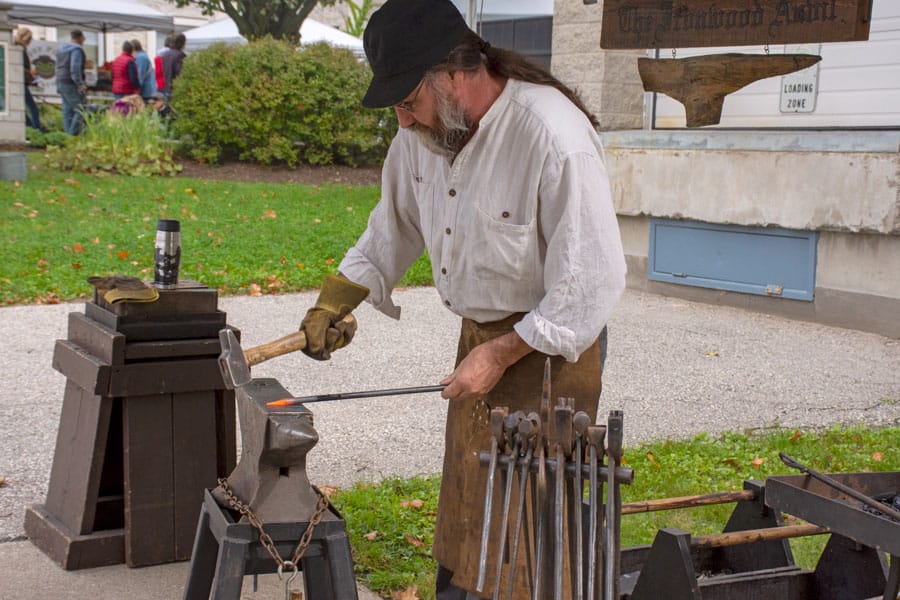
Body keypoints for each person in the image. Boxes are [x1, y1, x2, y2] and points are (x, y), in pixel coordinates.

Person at [297, 0, 626, 598]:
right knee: (472, 504)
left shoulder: (552, 135)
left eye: (407, 100)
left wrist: (501, 355)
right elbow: (391, 227)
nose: (402, 120)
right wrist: (334, 301)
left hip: (551, 355)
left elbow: (590, 284)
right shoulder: (427, 133)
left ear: (454, 75)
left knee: (528, 530)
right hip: (481, 340)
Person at [13, 27, 46, 133]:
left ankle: (30, 127)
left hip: (16, 82)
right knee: (33, 108)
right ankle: (37, 129)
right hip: (20, 82)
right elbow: (18, 67)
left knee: (21, 108)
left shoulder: (14, 45)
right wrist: (31, 74)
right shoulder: (20, 48)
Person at [55, 29, 87, 135]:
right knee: (81, 109)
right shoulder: (76, 50)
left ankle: (67, 135)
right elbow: (74, 68)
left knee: (67, 110)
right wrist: (80, 83)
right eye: (83, 37)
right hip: (70, 82)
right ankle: (72, 135)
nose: (84, 39)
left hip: (60, 81)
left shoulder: (61, 49)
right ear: (80, 38)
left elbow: (57, 66)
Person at [160, 33, 186, 101]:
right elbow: (180, 72)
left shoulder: (166, 54)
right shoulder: (180, 55)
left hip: (166, 86)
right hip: (175, 87)